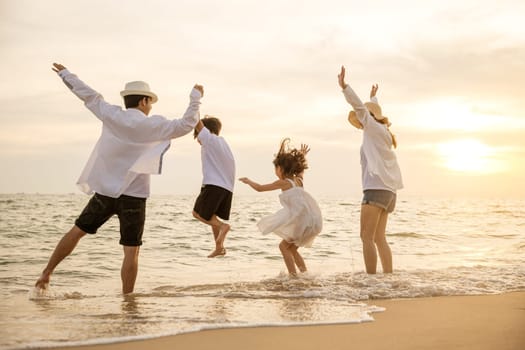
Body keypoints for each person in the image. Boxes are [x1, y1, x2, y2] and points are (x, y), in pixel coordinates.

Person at [35, 63, 204, 294]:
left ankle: (47, 272)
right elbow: (187, 123)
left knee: (77, 231)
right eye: (150, 103)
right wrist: (195, 97)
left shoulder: (111, 114)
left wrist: (66, 74)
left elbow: (88, 96)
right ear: (144, 101)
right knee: (131, 251)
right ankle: (127, 299)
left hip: (106, 192)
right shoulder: (154, 125)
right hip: (134, 197)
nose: (151, 107)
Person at [337, 65, 403, 274]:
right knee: (379, 238)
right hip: (389, 192)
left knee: (366, 237)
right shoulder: (384, 132)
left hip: (374, 189)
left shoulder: (372, 127)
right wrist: (374, 99)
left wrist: (344, 87)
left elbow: (359, 107)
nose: (360, 122)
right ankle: (388, 279)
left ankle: (371, 280)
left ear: (369, 117)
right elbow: (369, 110)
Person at [239, 138, 322, 276]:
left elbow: (260, 188)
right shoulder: (298, 180)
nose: (275, 171)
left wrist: (248, 181)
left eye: (276, 168)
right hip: (311, 220)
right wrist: (302, 156)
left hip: (301, 221)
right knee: (292, 249)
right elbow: (301, 172)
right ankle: (305, 275)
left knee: (283, 247)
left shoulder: (284, 183)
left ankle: (293, 277)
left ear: (281, 169)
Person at [192, 115, 236, 258]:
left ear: (204, 131)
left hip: (214, 185)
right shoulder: (222, 143)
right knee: (212, 217)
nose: (197, 139)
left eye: (197, 135)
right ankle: (219, 247)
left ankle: (223, 227)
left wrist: (195, 98)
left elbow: (196, 120)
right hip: (227, 188)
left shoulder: (209, 139)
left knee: (197, 213)